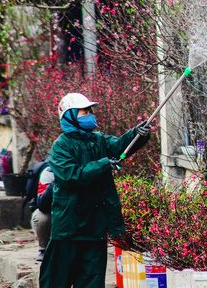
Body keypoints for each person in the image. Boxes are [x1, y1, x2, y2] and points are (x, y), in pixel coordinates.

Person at [39, 93, 151, 288]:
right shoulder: (61, 146)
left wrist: (137, 134)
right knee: (56, 280)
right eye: (85, 111)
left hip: (95, 229)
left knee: (92, 282)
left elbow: (118, 147)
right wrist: (103, 164)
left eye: (90, 111)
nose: (90, 114)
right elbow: (70, 176)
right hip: (69, 230)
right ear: (70, 116)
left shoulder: (98, 140)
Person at [30, 160, 54, 261]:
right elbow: (43, 205)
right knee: (41, 218)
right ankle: (43, 249)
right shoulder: (49, 172)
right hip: (51, 209)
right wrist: (56, 182)